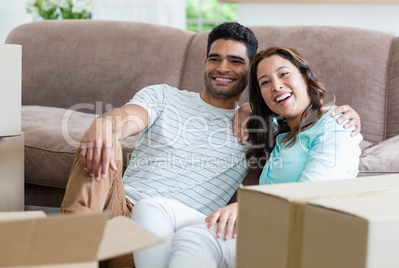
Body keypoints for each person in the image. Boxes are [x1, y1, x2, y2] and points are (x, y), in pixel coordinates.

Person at [59, 22, 360, 267]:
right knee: (98, 142)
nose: (223, 68)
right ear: (205, 62)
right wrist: (106, 124)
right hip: (117, 209)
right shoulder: (165, 96)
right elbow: (128, 117)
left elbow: (302, 119)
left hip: (172, 232)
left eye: (236, 61)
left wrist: (341, 113)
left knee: (161, 219)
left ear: (249, 72)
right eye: (215, 58)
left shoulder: (262, 125)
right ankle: (70, 254)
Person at [131, 46, 363, 268]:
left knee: (196, 238)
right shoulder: (280, 132)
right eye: (265, 82)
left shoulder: (335, 125)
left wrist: (248, 208)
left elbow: (314, 194)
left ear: (304, 76)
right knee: (150, 208)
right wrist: (245, 108)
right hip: (263, 225)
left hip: (298, 235)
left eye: (284, 74)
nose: (276, 86)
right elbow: (263, 108)